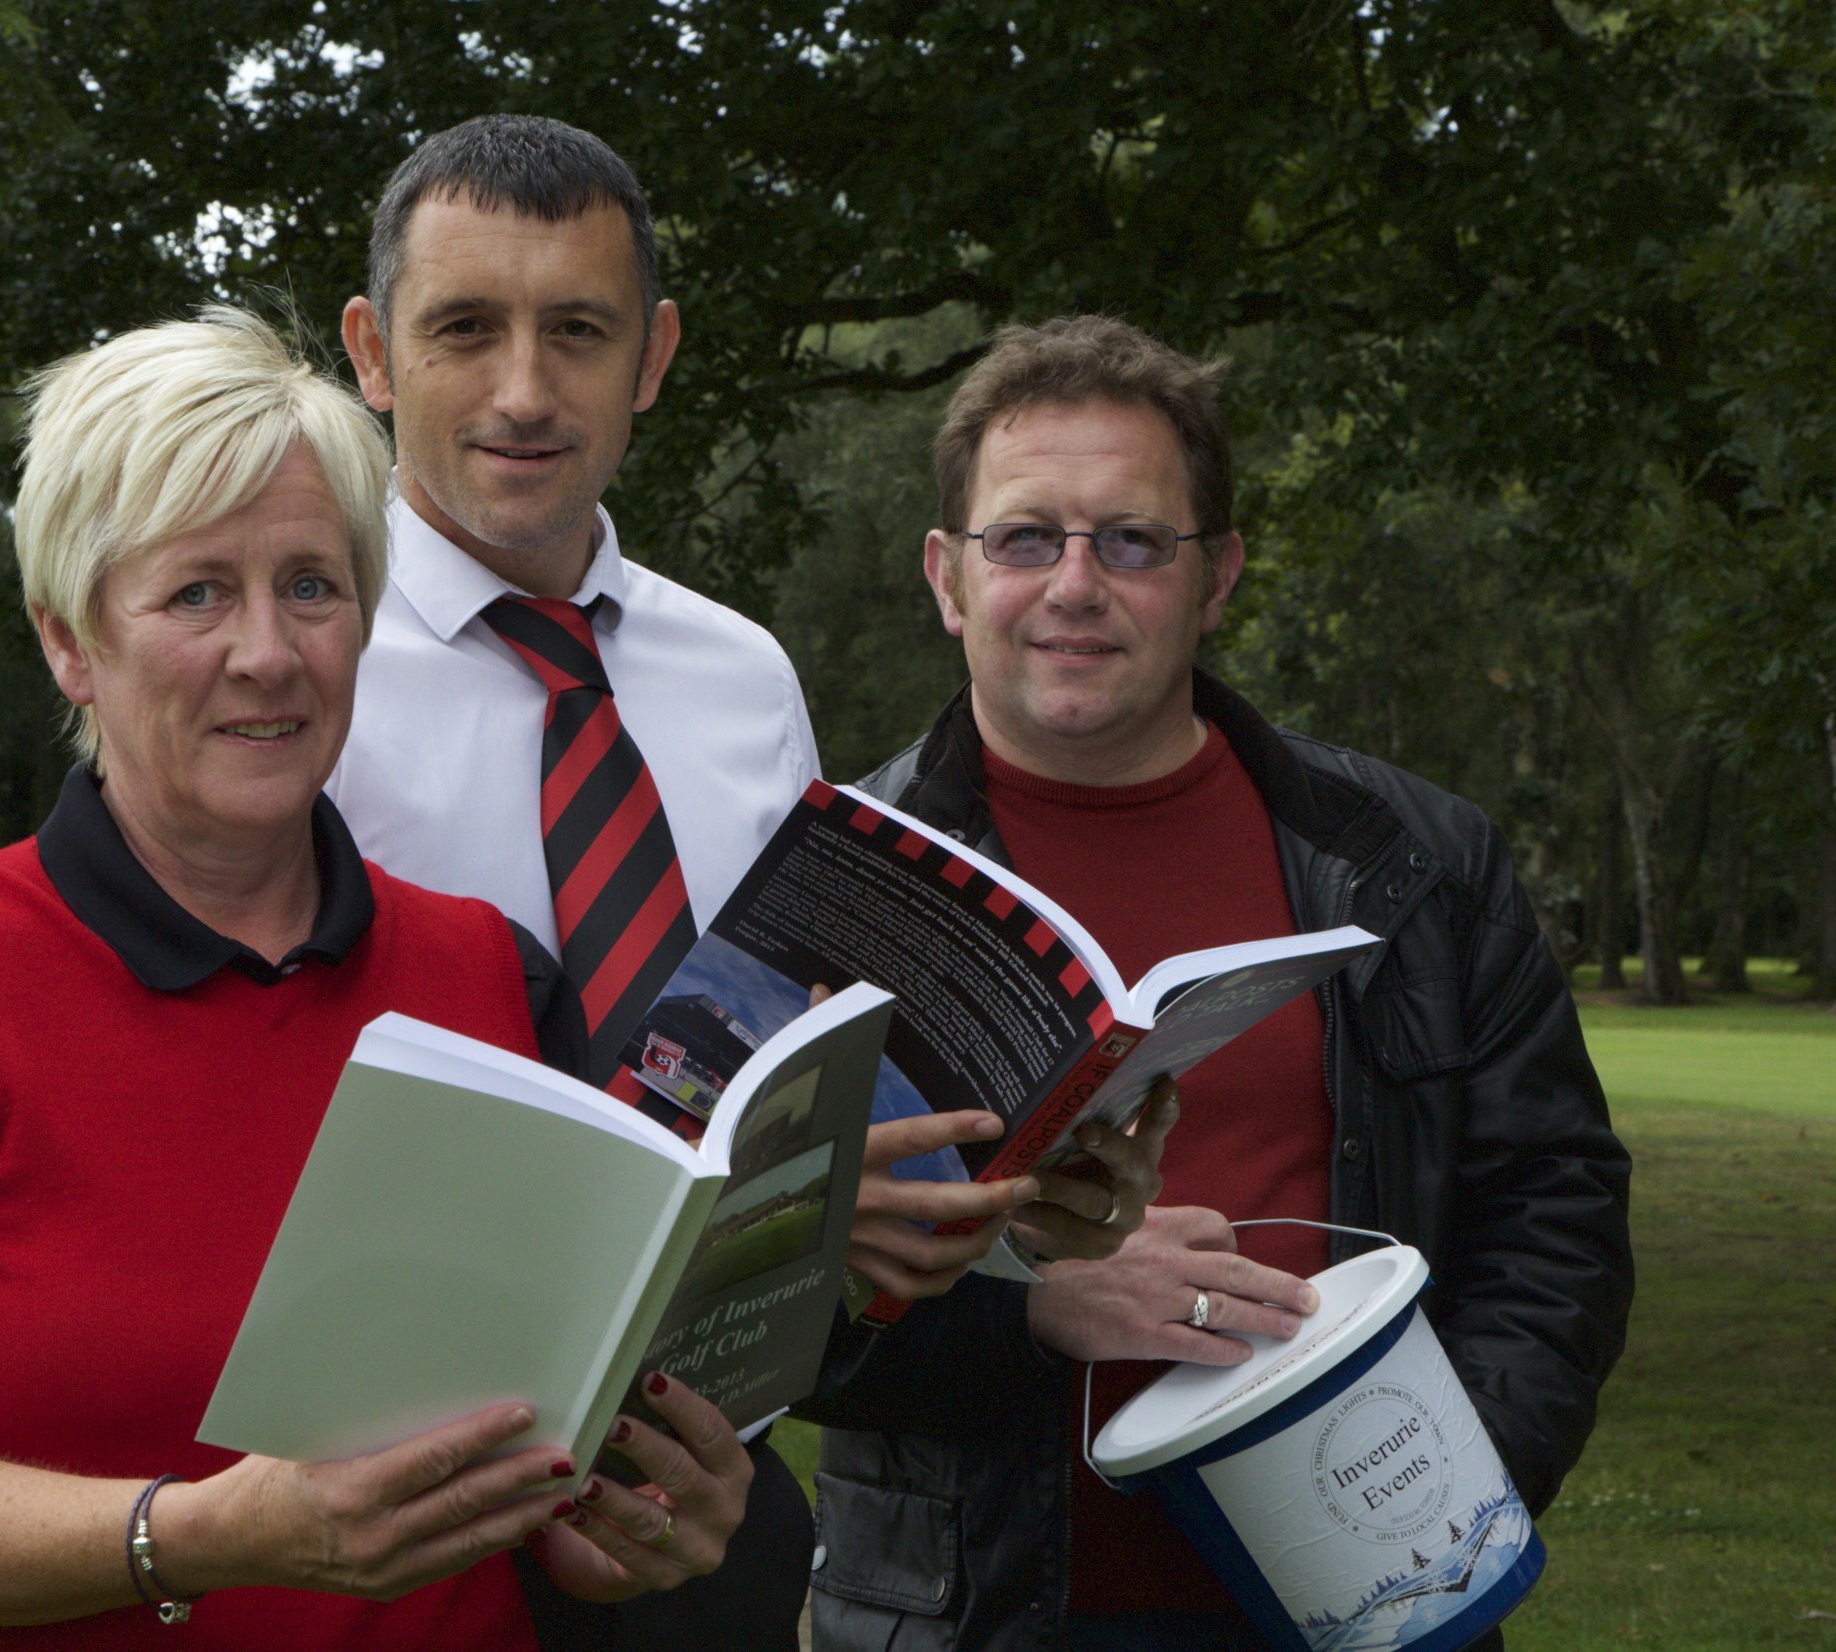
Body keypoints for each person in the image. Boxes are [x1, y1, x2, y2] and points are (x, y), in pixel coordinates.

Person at [0, 308, 756, 1651]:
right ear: (70, 644)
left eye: (311, 588)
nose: (267, 652)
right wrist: (200, 1539)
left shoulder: (492, 974)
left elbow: (536, 1472)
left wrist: (620, 1535)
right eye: (197, 591)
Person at [325, 117, 1172, 1648]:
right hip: (380, 1492)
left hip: (694, 1502)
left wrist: (982, 1197)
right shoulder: (285, 674)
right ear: (372, 353)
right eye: (465, 330)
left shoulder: (736, 676)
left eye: (575, 331)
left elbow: (773, 1073)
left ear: (650, 357)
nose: (524, 391)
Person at [797, 316, 1634, 1652]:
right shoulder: (827, 893)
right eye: (1024, 538)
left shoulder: (1414, 862)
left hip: (1371, 1600)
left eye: (1132, 540)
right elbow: (738, 1296)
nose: (1074, 584)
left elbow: (1555, 1209)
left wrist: (1450, 1481)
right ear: (947, 578)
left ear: (1217, 576)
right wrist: (1035, 1318)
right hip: (982, 1617)